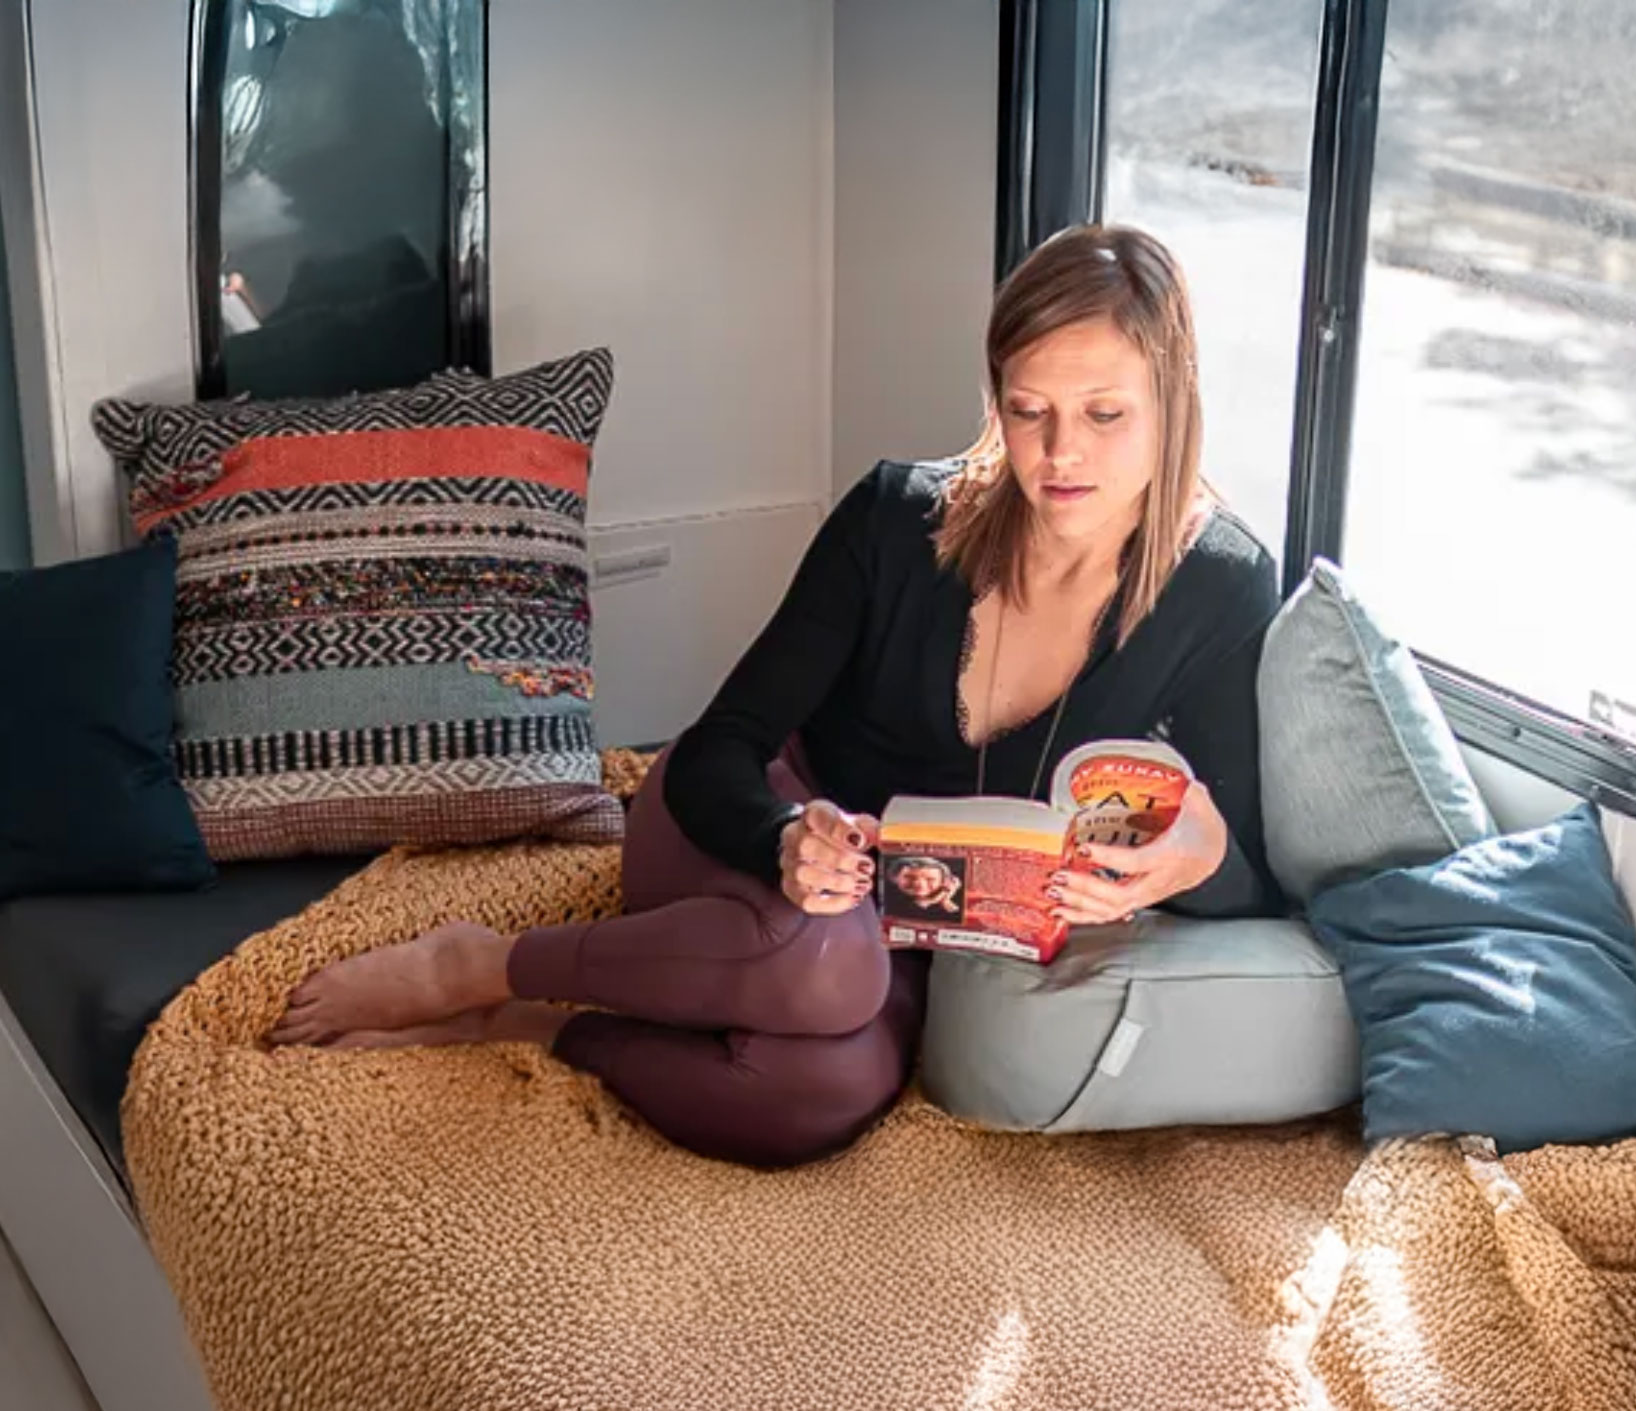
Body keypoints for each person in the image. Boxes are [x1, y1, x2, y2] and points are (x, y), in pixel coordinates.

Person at [269, 225, 1285, 1168]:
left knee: (818, 1093)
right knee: (822, 959)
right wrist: (785, 837)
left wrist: (1193, 858)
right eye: (1028, 410)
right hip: (742, 831)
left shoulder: (1222, 585)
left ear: (1173, 402)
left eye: (1105, 414)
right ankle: (479, 966)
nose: (1060, 453)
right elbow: (721, 746)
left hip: (907, 933)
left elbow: (1249, 877)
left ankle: (534, 1024)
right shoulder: (897, 519)